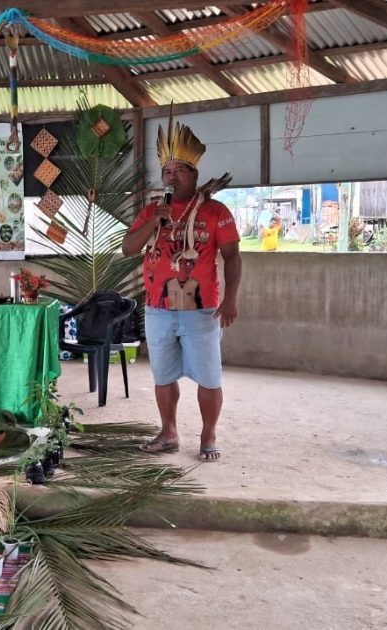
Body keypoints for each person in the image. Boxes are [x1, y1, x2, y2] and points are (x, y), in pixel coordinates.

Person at [121, 117, 242, 462]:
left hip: (203, 311)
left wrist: (231, 299)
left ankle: (208, 433)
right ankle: (169, 431)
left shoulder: (216, 212)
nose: (171, 176)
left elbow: (233, 257)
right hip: (158, 309)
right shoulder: (152, 211)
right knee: (163, 375)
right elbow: (129, 248)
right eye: (166, 171)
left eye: (179, 170)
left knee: (209, 377)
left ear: (194, 175)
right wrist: (155, 222)